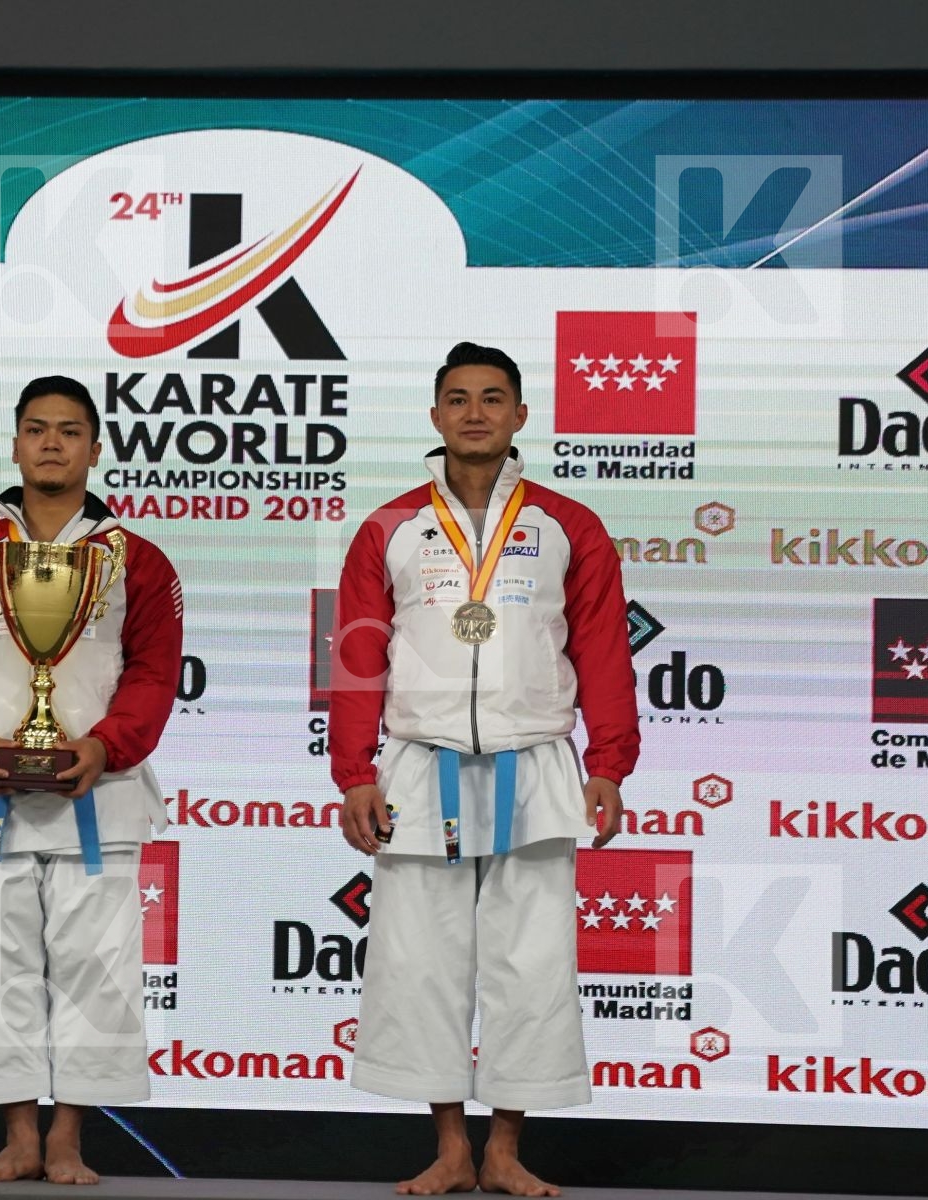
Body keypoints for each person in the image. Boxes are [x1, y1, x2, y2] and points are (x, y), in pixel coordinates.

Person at [329, 342, 636, 1197]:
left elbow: (605, 651)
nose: (474, 412)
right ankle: (451, 1149)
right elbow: (359, 656)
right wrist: (354, 772)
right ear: (435, 417)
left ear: (520, 416)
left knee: (531, 961)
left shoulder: (568, 525)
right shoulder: (389, 526)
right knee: (421, 960)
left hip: (534, 761)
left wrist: (609, 761)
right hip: (421, 764)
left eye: (492, 398)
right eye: (458, 398)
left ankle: (505, 1149)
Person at [0, 375, 182, 1186]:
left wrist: (109, 745)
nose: (53, 443)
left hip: (98, 796)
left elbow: (155, 669)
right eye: (38, 429)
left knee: (96, 967)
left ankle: (68, 1138)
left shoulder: (138, 558)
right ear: (15, 444)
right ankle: (19, 1138)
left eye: (71, 431)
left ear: (96, 450)